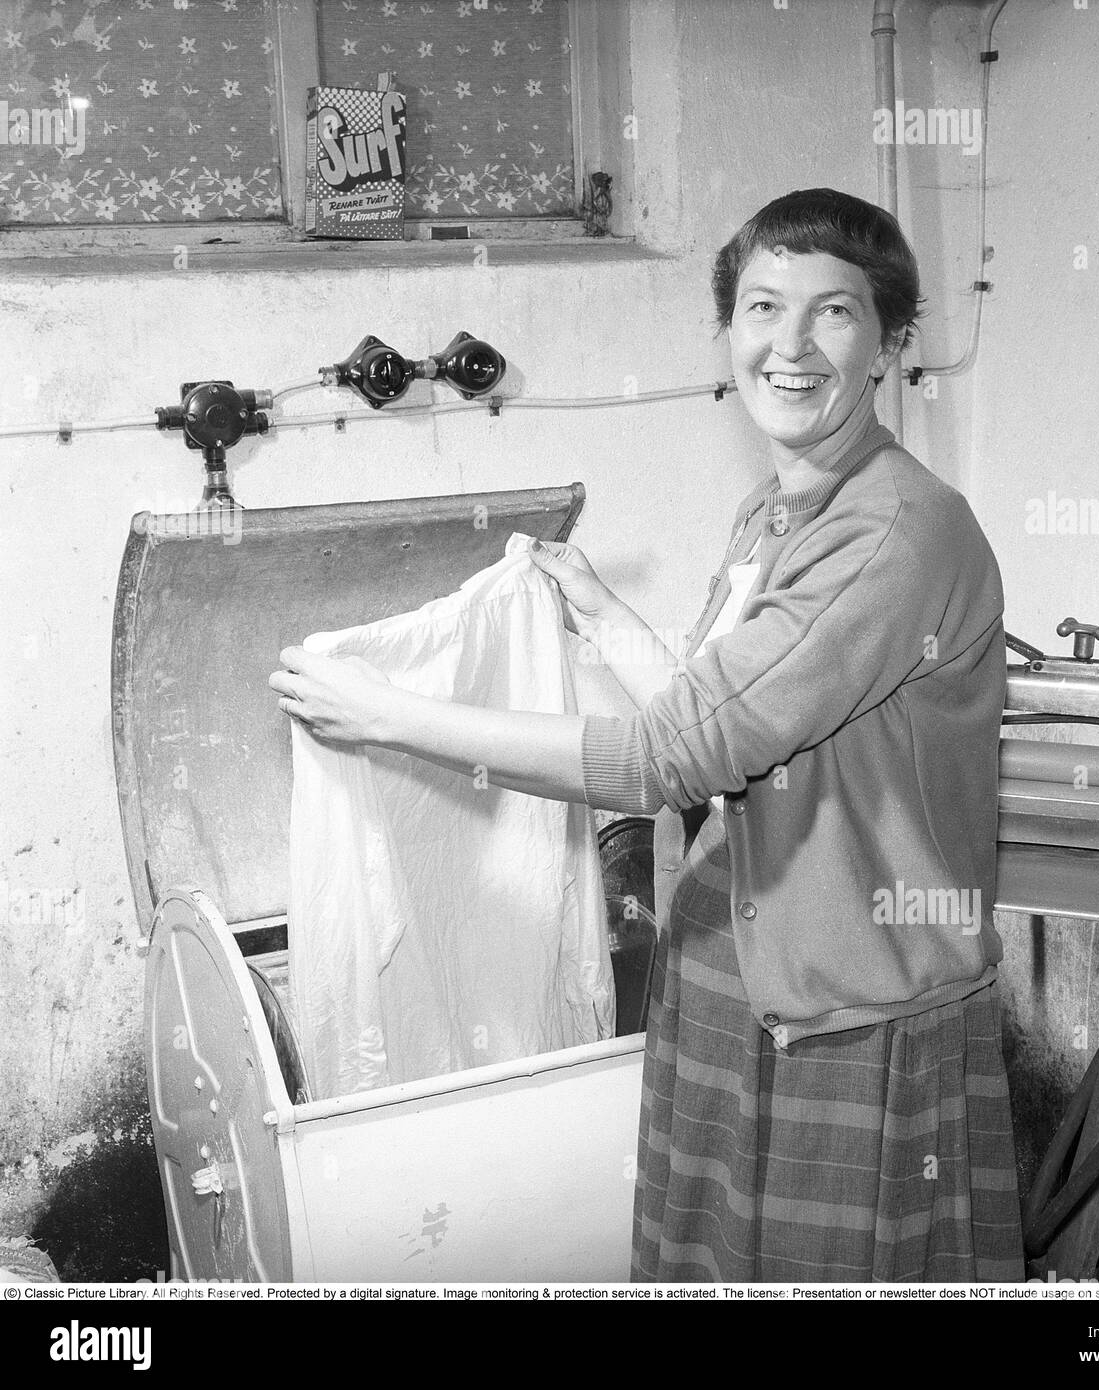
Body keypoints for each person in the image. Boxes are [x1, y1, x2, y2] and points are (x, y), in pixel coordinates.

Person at [269, 188, 1025, 1283]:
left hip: (854, 1008)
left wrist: (388, 719)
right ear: (729, 330)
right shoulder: (774, 513)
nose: (789, 346)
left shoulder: (894, 531)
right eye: (761, 307)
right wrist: (602, 612)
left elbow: (673, 757)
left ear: (890, 342)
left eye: (834, 312)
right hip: (729, 972)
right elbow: (728, 722)